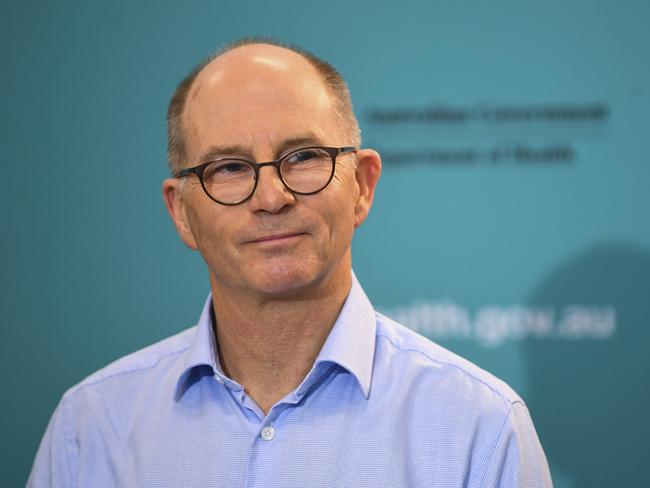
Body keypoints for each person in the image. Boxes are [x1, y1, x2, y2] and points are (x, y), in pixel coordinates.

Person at [28, 39, 552, 487]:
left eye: (302, 157)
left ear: (362, 187)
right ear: (182, 212)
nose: (272, 197)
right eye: (229, 167)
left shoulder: (478, 428)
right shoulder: (89, 428)